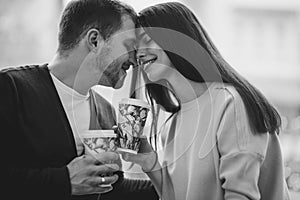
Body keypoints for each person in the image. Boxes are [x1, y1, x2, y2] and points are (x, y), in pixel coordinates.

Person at [121, 2, 291, 200]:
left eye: (147, 39)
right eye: (135, 46)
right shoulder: (173, 124)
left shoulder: (231, 104)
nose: (139, 52)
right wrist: (150, 163)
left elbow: (239, 196)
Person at [0, 0, 158, 200]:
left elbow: (110, 190)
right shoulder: (10, 88)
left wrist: (170, 181)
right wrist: (64, 181)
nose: (136, 60)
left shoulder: (104, 109)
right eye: (129, 46)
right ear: (94, 40)